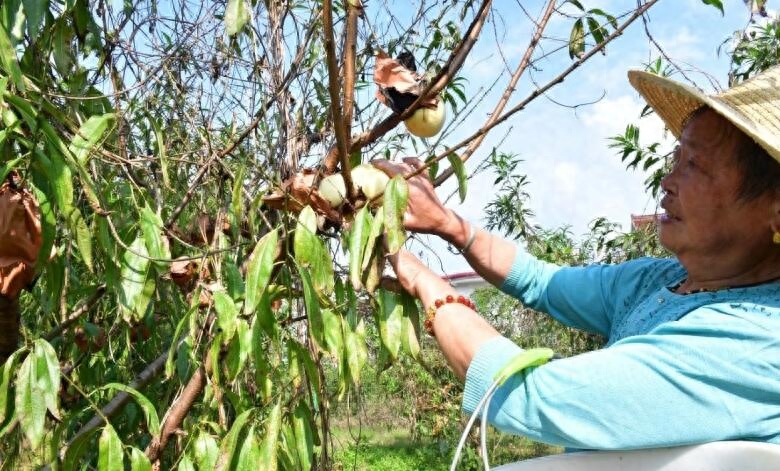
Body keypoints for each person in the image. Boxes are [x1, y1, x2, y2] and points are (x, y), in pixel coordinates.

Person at [372, 64, 780, 450]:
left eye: (696, 165)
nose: (668, 182)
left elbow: (526, 395)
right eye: (675, 160)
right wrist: (448, 223)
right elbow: (540, 282)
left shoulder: (756, 344)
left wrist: (427, 283)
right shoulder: (658, 282)